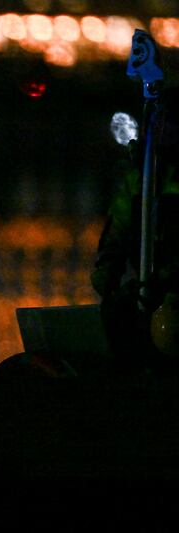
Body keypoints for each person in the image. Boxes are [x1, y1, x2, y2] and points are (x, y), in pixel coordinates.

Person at [91, 86, 179, 368]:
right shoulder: (140, 178)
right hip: (144, 295)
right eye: (160, 122)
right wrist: (108, 268)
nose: (164, 129)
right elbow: (118, 231)